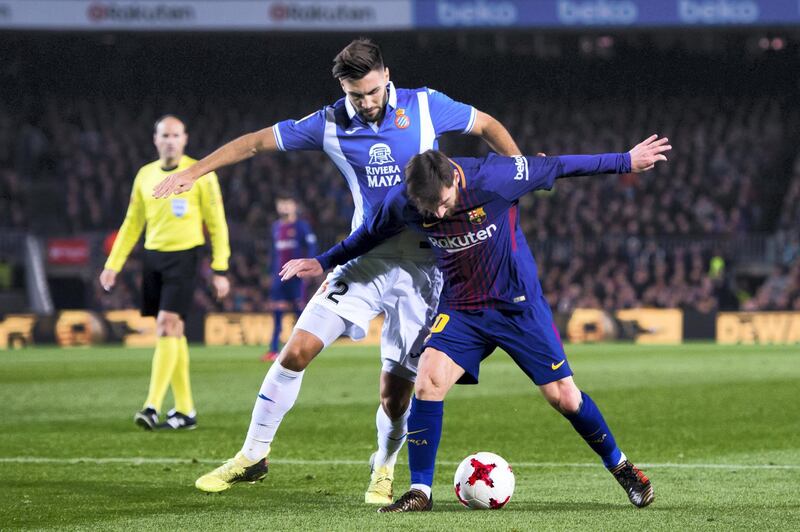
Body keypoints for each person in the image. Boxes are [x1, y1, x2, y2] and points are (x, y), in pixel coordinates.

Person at [152, 38, 521, 502]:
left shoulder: (427, 106)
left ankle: (383, 468)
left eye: (370, 91)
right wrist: (195, 171)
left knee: (395, 391)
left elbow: (485, 124)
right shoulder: (329, 123)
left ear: (387, 76)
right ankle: (252, 455)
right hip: (365, 259)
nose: (365, 104)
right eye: (354, 95)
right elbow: (253, 144)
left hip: (427, 269)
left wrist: (518, 170)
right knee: (295, 351)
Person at [280, 135, 671, 511]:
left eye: (444, 203)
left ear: (455, 176)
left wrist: (626, 160)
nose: (436, 213)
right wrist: (324, 261)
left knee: (565, 398)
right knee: (428, 381)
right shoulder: (405, 200)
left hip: (517, 308)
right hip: (462, 309)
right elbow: (368, 234)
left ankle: (621, 467)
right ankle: (420, 491)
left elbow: (560, 165)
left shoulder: (495, 177)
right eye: (428, 207)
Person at [100, 115, 231, 431]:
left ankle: (151, 405)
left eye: (175, 135)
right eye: (165, 135)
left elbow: (217, 223)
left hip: (185, 256)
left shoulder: (200, 173)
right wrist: (113, 264)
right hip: (153, 258)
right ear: (155, 139)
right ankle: (185, 411)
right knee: (173, 333)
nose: (170, 140)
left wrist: (220, 268)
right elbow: (132, 223)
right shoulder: (145, 175)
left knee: (166, 325)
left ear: (184, 139)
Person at [262, 194, 317, 362]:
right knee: (277, 311)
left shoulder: (301, 226)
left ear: (295, 206)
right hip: (279, 275)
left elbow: (312, 247)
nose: (284, 207)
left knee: (299, 310)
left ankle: (305, 346)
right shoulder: (276, 227)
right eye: (281, 204)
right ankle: (273, 350)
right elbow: (273, 253)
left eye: (288, 204)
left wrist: (308, 268)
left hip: (297, 275)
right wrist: (269, 273)